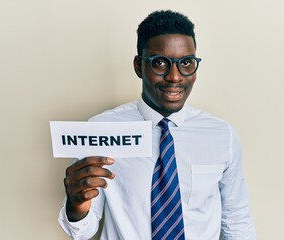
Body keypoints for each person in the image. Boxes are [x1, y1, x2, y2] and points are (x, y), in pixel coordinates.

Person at [58, 10, 256, 240]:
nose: (175, 76)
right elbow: (81, 231)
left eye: (186, 63)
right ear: (138, 66)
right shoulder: (101, 130)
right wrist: (76, 204)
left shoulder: (222, 136)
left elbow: (237, 223)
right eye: (160, 63)